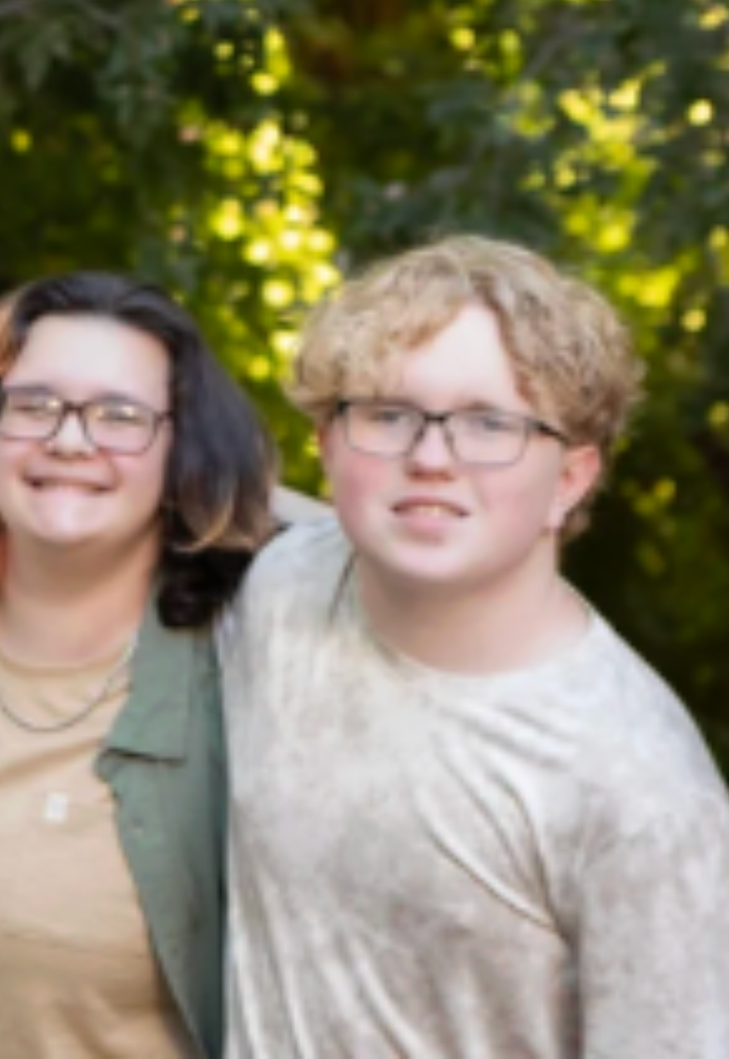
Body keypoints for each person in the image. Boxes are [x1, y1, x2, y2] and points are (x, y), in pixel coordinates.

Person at [222, 235, 729, 1056]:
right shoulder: (278, 586)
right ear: (328, 443)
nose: (430, 458)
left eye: (490, 424)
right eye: (389, 415)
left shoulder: (642, 792)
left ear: (570, 479)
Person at [0, 273, 275, 1059]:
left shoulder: (250, 679)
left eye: (120, 416)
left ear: (181, 453)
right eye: (34, 405)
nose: (71, 441)